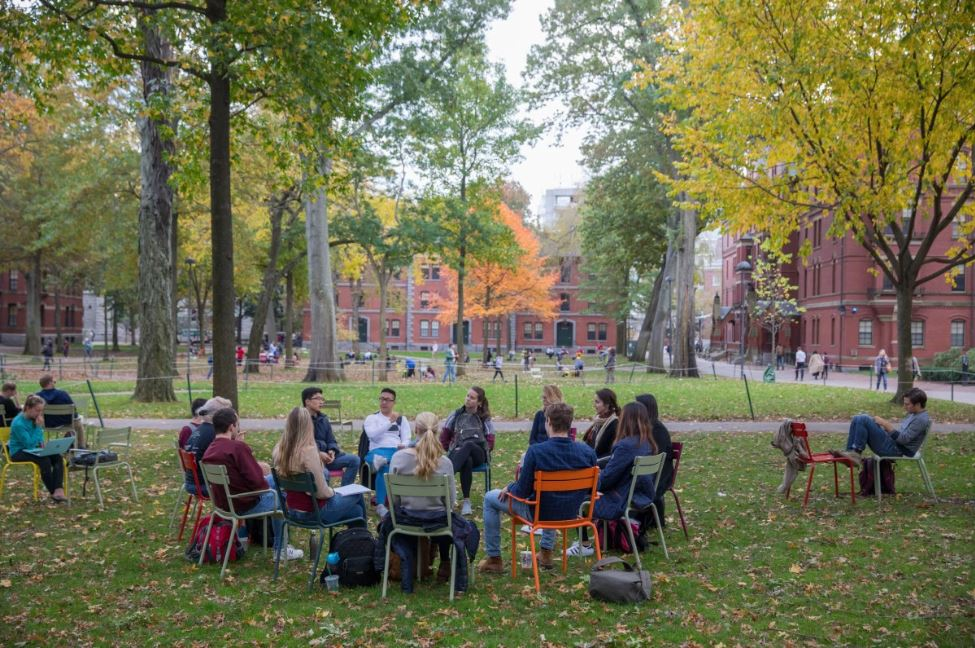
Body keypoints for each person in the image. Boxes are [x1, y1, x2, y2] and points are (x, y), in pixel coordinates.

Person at [477, 402, 596, 573]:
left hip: (539, 513)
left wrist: (509, 487)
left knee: (490, 497)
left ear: (548, 421)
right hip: (571, 513)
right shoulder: (587, 452)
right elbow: (592, 489)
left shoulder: (536, 451)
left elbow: (522, 492)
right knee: (550, 497)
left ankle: (494, 558)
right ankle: (546, 552)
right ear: (571, 423)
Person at [202, 407, 303, 560]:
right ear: (231, 426)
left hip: (223, 504)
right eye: (238, 424)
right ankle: (281, 549)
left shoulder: (210, 449)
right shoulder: (237, 448)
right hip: (244, 504)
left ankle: (265, 541)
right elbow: (257, 482)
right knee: (280, 497)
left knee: (275, 480)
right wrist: (243, 449)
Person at [567, 401, 658, 556]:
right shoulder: (647, 443)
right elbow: (616, 469)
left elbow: (607, 479)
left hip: (620, 500)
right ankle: (593, 539)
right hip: (639, 495)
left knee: (578, 496)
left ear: (626, 420)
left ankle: (585, 545)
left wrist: (590, 479)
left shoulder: (625, 446)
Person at [388, 411, 458, 585]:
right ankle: (444, 561)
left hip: (405, 520)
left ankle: (411, 561)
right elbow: (450, 501)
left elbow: (394, 500)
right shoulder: (445, 463)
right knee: (452, 519)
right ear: (438, 432)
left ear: (415, 429)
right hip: (437, 521)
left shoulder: (398, 458)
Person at [272, 407, 365, 534]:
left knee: (356, 511)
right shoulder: (308, 451)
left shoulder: (279, 450)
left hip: (292, 511)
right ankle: (365, 542)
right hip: (314, 513)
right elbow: (322, 493)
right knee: (357, 494)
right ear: (308, 426)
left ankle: (355, 545)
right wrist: (334, 492)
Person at [836, 388, 930, 467]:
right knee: (857, 418)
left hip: (897, 451)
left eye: (907, 404)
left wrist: (886, 424)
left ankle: (855, 454)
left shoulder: (921, 419)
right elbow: (902, 435)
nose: (904, 407)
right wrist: (885, 429)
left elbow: (904, 440)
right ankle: (850, 452)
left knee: (863, 419)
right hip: (893, 445)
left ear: (918, 404)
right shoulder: (914, 414)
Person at [440, 386, 495, 516]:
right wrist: (453, 448)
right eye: (467, 396)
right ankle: (466, 502)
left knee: (469, 445)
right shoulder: (456, 414)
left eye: (472, 397)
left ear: (479, 402)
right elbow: (444, 437)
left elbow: (490, 442)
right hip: (459, 453)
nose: (468, 399)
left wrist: (475, 444)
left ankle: (446, 475)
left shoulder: (484, 418)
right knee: (467, 460)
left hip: (479, 453)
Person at [8, 395, 67, 502]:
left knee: (57, 457)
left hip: (33, 450)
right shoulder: (18, 423)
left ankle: (58, 489)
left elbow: (38, 441)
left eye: (41, 411)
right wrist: (39, 427)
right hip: (18, 452)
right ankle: (54, 493)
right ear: (28, 408)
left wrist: (44, 447)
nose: (39, 414)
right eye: (37, 410)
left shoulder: (34, 418)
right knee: (44, 460)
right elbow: (29, 444)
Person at [363, 388, 412, 518]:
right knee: (385, 464)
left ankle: (404, 502)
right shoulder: (372, 418)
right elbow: (372, 435)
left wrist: (404, 445)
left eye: (387, 400)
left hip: (395, 450)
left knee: (387, 464)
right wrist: (389, 422)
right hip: (376, 451)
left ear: (393, 402)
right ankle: (380, 505)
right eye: (382, 399)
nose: (384, 402)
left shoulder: (402, 419)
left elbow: (407, 437)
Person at [302, 387, 360, 487]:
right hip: (311, 460)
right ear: (307, 401)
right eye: (317, 399)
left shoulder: (323, 419)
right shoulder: (300, 419)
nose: (321, 402)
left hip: (328, 459)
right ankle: (326, 499)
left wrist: (332, 450)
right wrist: (318, 453)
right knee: (324, 473)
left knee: (355, 460)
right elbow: (301, 444)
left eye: (322, 399)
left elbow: (331, 439)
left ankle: (345, 492)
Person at [183, 396, 233, 496]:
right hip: (205, 485)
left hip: (192, 482)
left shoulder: (198, 430)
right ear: (219, 416)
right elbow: (229, 463)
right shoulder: (215, 434)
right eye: (228, 414)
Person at [635, 393, 673, 523]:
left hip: (659, 475)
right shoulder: (644, 428)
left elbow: (657, 458)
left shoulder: (657, 430)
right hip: (647, 471)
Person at [36, 374, 85, 449]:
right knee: (78, 423)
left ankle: (68, 440)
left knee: (75, 422)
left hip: (47, 424)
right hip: (66, 423)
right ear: (49, 383)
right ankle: (81, 447)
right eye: (54, 381)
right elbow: (73, 408)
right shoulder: (62, 394)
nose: (54, 383)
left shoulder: (37, 397)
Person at [582, 388, 620, 464]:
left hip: (599, 465)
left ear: (607, 404)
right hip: (591, 459)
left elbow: (608, 452)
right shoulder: (598, 421)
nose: (594, 405)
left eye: (597, 402)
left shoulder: (614, 424)